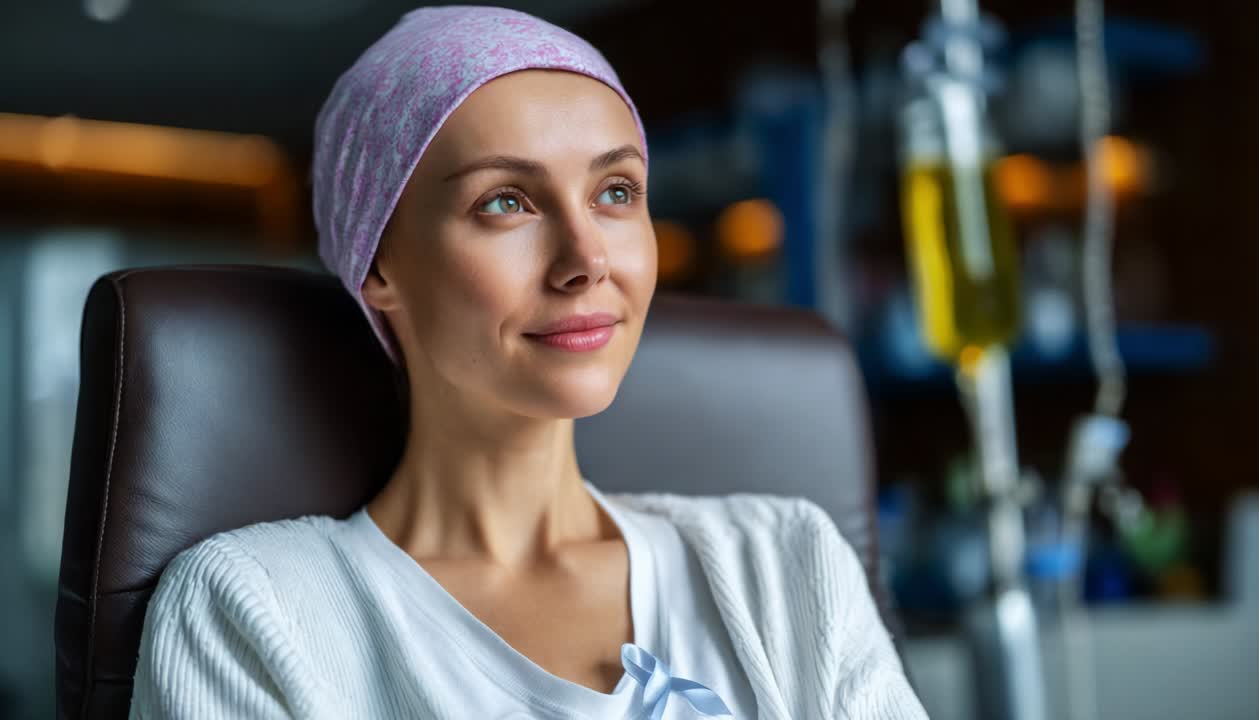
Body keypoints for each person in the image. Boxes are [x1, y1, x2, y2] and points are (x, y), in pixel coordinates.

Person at [129, 6, 927, 719]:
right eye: (505, 201)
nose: (587, 261)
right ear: (377, 265)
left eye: (616, 192)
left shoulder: (785, 562)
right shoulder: (255, 610)